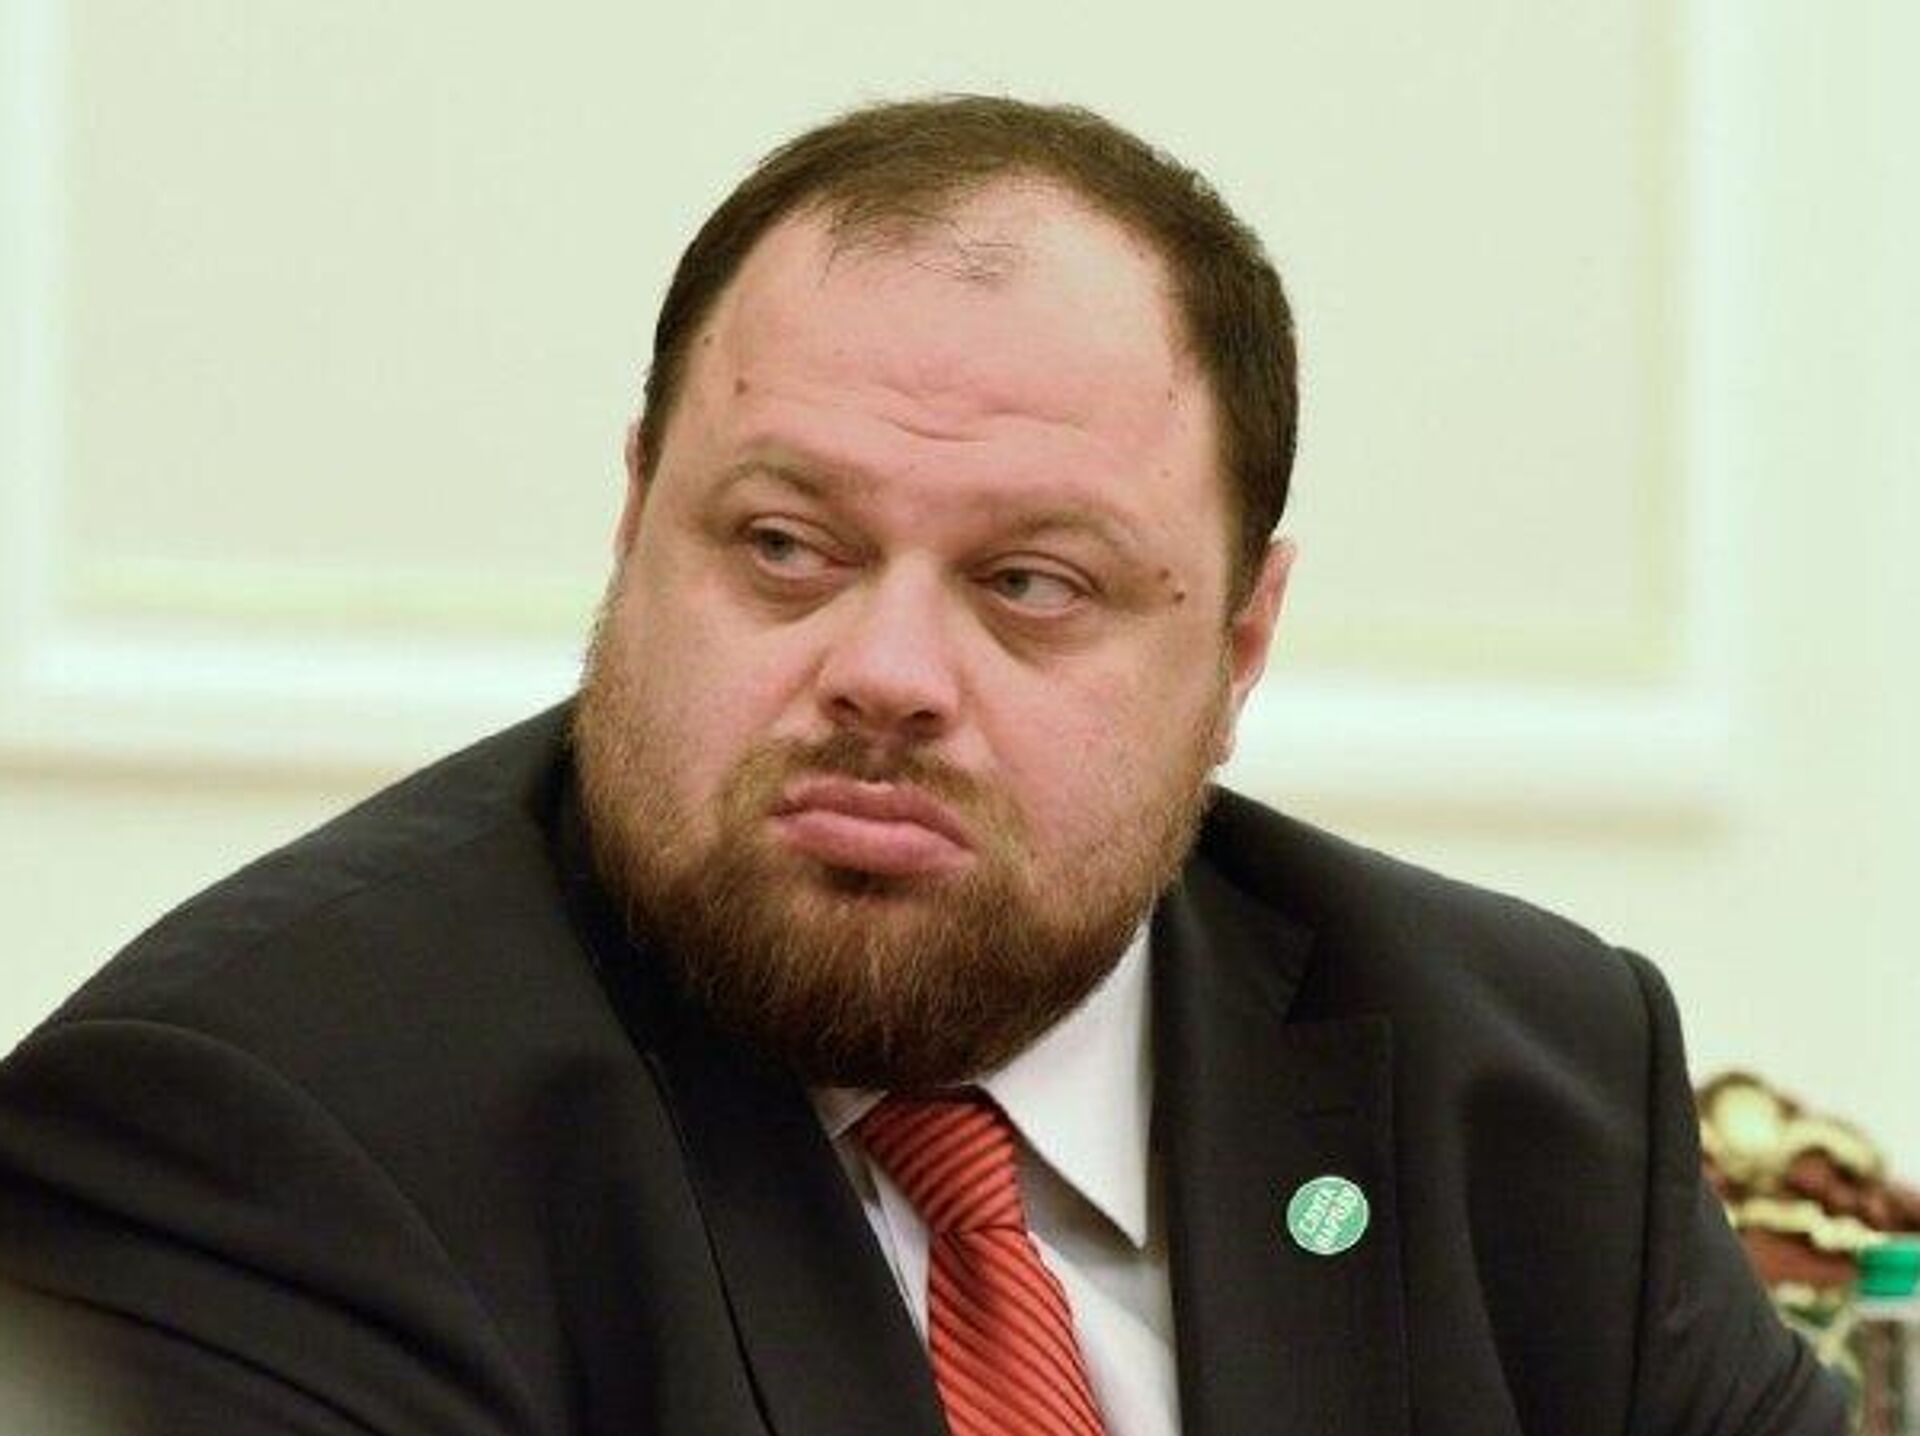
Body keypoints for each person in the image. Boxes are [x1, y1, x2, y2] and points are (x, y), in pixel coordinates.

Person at [0, 95, 1843, 1436]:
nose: (884, 675)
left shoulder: (1523, 1088)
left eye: (1032, 584)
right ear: (637, 519)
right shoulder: (254, 1137)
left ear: (1239, 648)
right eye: (784, 547)